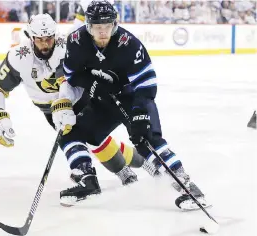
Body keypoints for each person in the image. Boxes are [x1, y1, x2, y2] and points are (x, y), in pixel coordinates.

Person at [51, 1, 210, 210]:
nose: (103, 32)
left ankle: (188, 188)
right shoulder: (76, 41)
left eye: (107, 26)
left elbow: (146, 83)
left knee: (147, 140)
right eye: (98, 27)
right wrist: (68, 100)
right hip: (104, 102)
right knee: (72, 133)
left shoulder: (128, 43)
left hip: (132, 99)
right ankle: (87, 181)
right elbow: (71, 78)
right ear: (88, 26)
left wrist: (140, 114)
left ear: (114, 24)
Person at [0, 14, 148, 191]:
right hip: (49, 110)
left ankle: (121, 169)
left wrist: (64, 102)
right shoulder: (18, 57)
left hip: (80, 99)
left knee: (92, 138)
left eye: (49, 38)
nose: (45, 44)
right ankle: (133, 164)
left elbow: (67, 79)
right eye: (40, 40)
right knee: (88, 139)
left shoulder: (66, 46)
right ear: (30, 37)